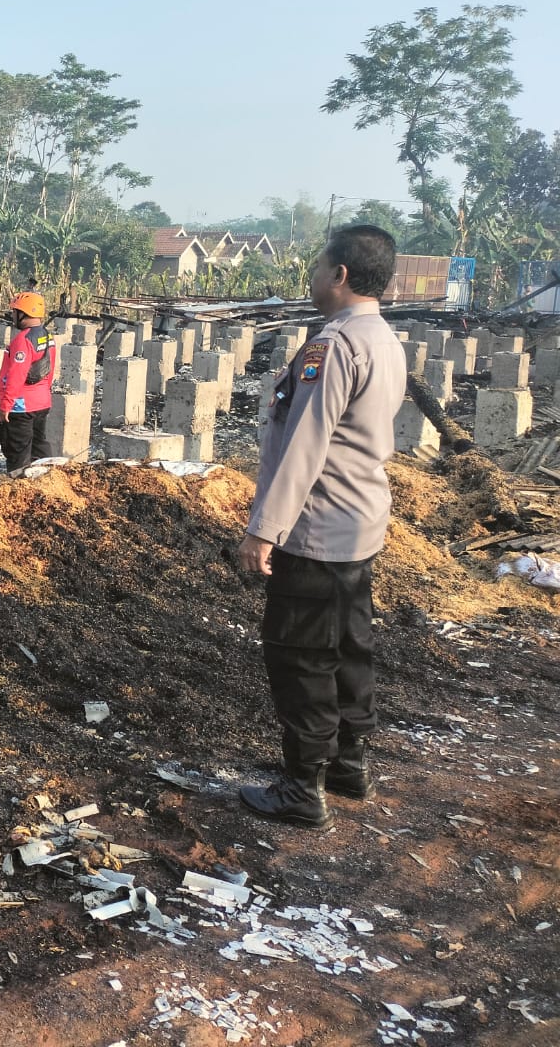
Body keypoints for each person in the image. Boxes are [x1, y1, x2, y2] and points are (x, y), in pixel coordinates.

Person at [236, 225, 407, 830]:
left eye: (316, 266)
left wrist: (265, 529)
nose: (310, 277)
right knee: (348, 646)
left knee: (302, 654)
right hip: (360, 522)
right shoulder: (385, 339)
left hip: (317, 526)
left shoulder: (332, 346)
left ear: (338, 275)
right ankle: (347, 765)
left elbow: (304, 446)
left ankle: (302, 786)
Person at [0, 291, 56, 471]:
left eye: (14, 312)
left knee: (18, 452)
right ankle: (47, 481)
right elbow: (50, 370)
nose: (12, 316)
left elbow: (17, 374)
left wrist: (5, 405)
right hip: (41, 402)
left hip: (21, 406)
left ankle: (18, 487)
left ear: (23, 313)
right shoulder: (47, 336)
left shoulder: (23, 340)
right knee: (39, 445)